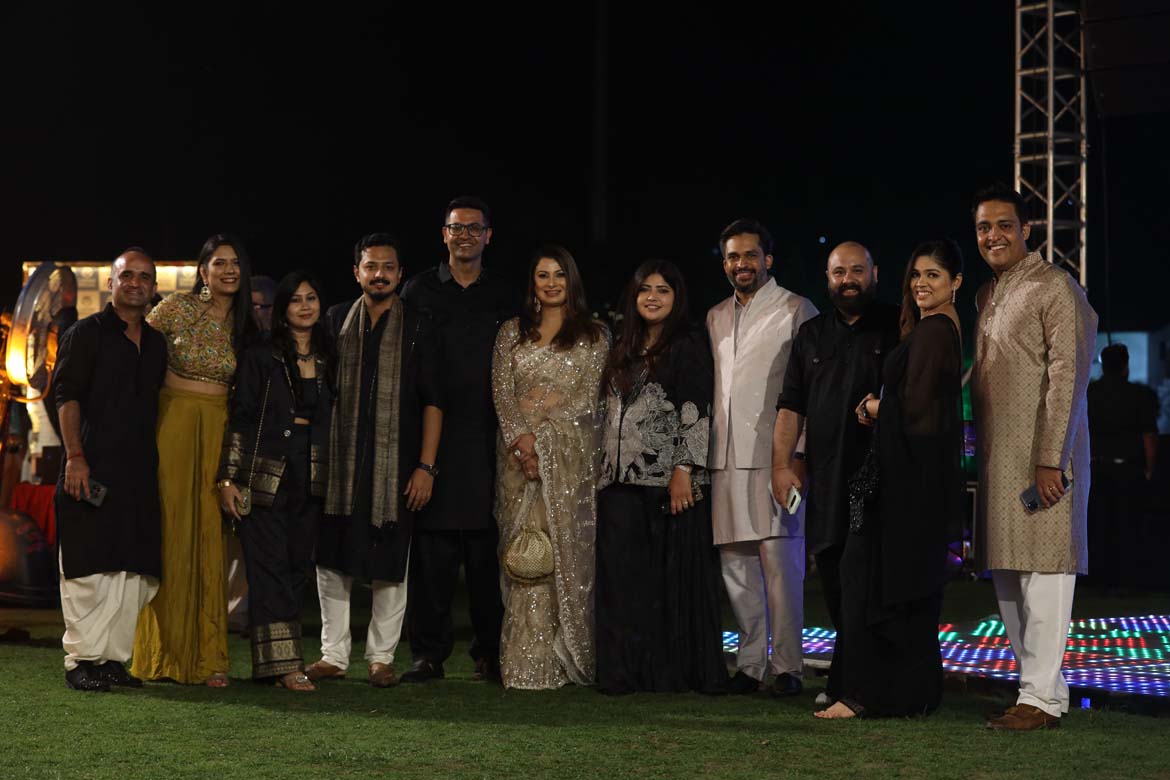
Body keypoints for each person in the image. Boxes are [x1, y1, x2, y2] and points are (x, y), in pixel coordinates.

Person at [814, 240, 966, 719]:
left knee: (869, 579)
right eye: (916, 275)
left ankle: (864, 694)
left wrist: (877, 407)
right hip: (908, 478)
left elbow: (919, 412)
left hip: (904, 484)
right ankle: (905, 693)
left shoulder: (936, 330)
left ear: (956, 283)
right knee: (886, 581)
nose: (921, 283)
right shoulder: (933, 327)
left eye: (933, 275)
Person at [972, 184, 1098, 731]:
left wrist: (1051, 459)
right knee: (1008, 576)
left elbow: (1069, 375)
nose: (993, 236)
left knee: (1045, 574)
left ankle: (1039, 699)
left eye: (1004, 225)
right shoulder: (988, 294)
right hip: (998, 459)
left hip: (1043, 460)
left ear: (1027, 230)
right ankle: (1041, 689)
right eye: (983, 227)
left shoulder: (1056, 287)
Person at [305, 233, 442, 688]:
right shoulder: (335, 319)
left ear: (400, 275)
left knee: (390, 563)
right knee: (331, 560)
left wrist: (425, 467)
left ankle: (381, 658)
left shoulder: (419, 325)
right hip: (339, 463)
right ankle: (333, 655)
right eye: (370, 266)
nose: (379, 274)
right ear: (356, 272)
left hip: (396, 464)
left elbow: (433, 400)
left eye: (387, 267)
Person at [772, 242, 900, 706]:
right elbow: (791, 407)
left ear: (875, 273)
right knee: (834, 582)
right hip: (826, 482)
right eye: (839, 272)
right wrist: (781, 466)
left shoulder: (897, 326)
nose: (848, 280)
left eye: (857, 271)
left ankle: (864, 682)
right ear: (827, 278)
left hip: (881, 481)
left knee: (870, 585)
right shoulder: (810, 335)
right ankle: (847, 677)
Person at [132, 234, 259, 687]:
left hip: (220, 432)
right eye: (219, 263)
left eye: (235, 263)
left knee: (211, 538)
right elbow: (135, 353)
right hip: (172, 426)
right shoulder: (176, 309)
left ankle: (208, 658)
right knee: (171, 532)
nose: (229, 270)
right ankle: (161, 655)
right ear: (203, 271)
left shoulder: (247, 325)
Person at [595, 259, 725, 694]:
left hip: (666, 482)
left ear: (677, 298)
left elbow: (698, 409)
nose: (652, 297)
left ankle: (666, 673)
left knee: (663, 584)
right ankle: (621, 673)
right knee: (621, 582)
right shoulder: (622, 345)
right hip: (618, 482)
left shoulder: (688, 343)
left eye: (663, 290)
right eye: (645, 289)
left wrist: (684, 469)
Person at [399, 196, 514, 683]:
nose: (464, 235)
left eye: (473, 228)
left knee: (488, 555)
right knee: (433, 557)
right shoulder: (418, 290)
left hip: (491, 438)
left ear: (488, 235)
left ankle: (490, 652)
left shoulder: (505, 293)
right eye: (456, 228)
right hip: (432, 435)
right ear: (443, 234)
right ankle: (428, 654)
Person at [707, 218, 817, 696]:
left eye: (750, 255)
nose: (741, 264)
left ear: (767, 259)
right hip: (725, 458)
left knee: (781, 568)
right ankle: (750, 666)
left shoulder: (796, 308)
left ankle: (788, 667)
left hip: (777, 459)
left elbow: (811, 389)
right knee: (737, 568)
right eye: (733, 256)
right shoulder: (714, 316)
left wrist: (799, 457)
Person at [491, 244, 607, 689]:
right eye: (543, 275)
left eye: (560, 274)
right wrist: (522, 444)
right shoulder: (511, 333)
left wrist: (545, 443)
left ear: (571, 280)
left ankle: (561, 659)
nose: (552, 283)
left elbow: (588, 403)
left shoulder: (594, 336)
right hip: (515, 462)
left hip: (566, 463)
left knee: (560, 555)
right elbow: (502, 394)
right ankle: (523, 662)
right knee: (521, 553)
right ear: (533, 283)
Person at [53, 248, 166, 691]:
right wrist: (75, 458)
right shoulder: (86, 334)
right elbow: (66, 397)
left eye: (144, 277)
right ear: (111, 283)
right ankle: (82, 661)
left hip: (138, 474)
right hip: (91, 466)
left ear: (153, 286)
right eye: (127, 276)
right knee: (90, 569)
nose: (136, 283)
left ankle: (113, 661)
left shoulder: (156, 344)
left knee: (132, 572)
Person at [217, 271, 335, 691]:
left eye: (311, 298)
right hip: (263, 475)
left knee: (297, 567)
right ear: (283, 310)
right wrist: (228, 479)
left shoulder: (330, 355)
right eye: (296, 300)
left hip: (312, 474)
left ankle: (273, 665)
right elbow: (241, 418)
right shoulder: (261, 355)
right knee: (267, 569)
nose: (305, 306)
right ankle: (286, 666)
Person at [1086, 343, 1159, 587]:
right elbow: (1149, 435)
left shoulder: (1090, 393)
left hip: (1096, 469)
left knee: (1098, 525)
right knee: (1128, 526)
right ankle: (1127, 579)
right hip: (1129, 470)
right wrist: (1150, 468)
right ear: (1126, 365)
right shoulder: (1140, 395)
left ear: (1103, 365)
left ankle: (1098, 579)